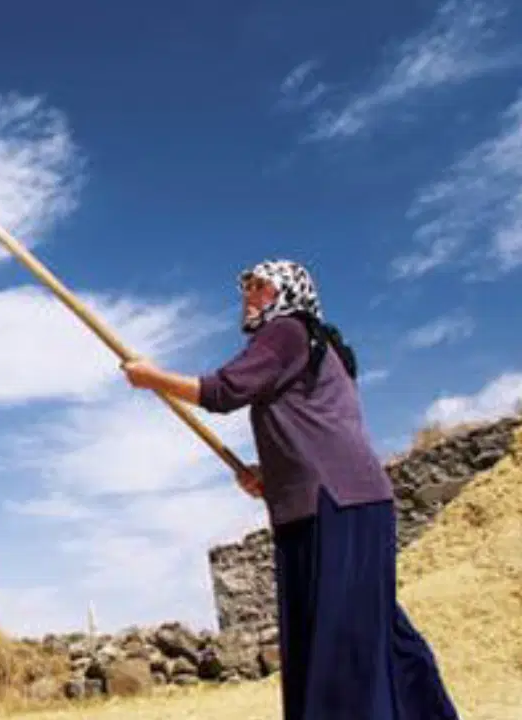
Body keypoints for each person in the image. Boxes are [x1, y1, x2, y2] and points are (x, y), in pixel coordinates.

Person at [120, 259, 459, 720]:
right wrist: (270, 472)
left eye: (259, 286)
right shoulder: (310, 345)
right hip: (328, 502)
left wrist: (151, 378)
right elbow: (311, 422)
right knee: (367, 629)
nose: (249, 295)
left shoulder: (289, 330)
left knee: (340, 639)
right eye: (246, 288)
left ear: (287, 293)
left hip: (338, 501)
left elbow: (224, 391)